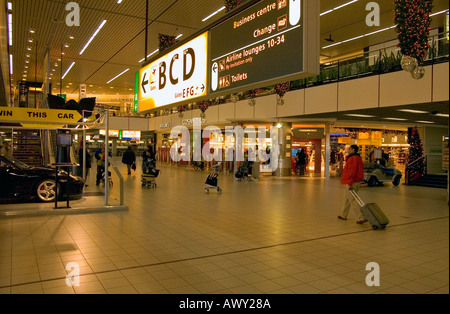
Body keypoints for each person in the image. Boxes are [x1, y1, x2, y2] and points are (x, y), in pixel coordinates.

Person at [338, 145, 367, 224]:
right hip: (355, 181)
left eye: (349, 149)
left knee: (353, 200)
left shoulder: (353, 159)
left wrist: (350, 182)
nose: (348, 150)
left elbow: (352, 171)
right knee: (346, 199)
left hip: (352, 182)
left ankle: (361, 217)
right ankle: (343, 215)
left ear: (353, 149)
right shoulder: (357, 158)